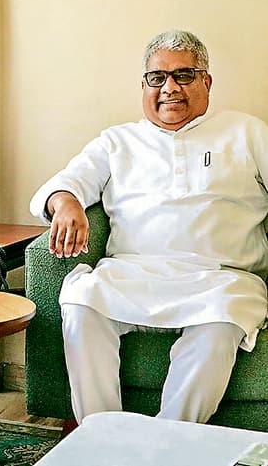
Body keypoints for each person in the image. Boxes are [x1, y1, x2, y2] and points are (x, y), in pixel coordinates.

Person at [29, 30, 268, 425]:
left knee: (221, 322)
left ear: (207, 81)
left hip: (220, 280)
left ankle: (167, 441)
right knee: (82, 300)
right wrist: (67, 202)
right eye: (157, 78)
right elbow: (64, 183)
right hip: (130, 274)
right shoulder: (117, 141)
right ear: (144, 86)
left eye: (183, 75)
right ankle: (101, 434)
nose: (169, 88)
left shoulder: (246, 132)